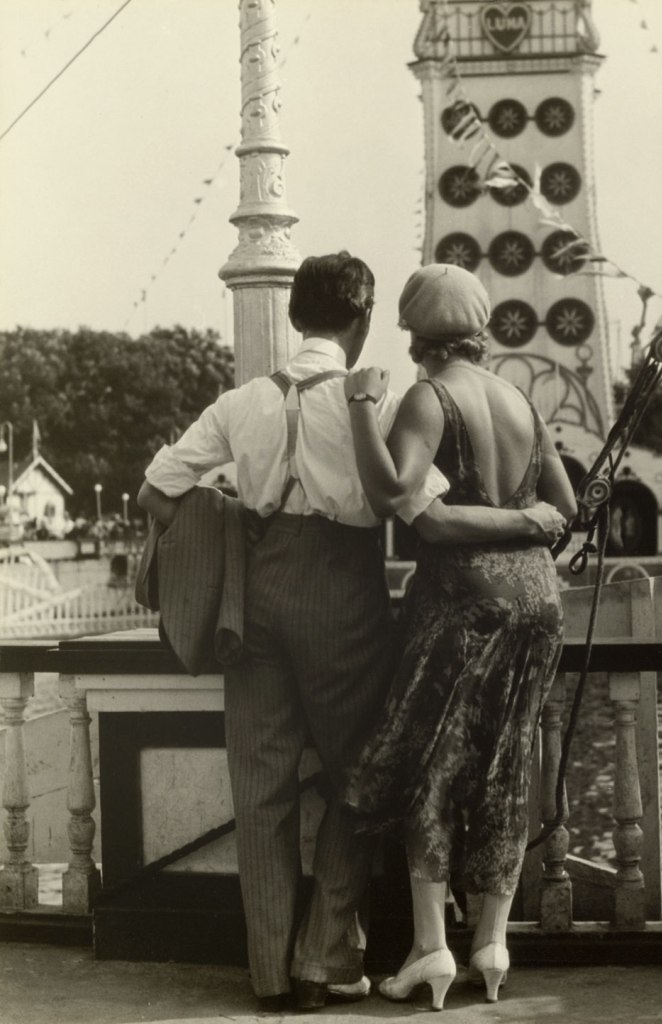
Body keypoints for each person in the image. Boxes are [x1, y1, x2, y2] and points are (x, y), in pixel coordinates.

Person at [137, 252, 566, 1013]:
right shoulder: (380, 400)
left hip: (256, 597)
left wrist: (233, 527)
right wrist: (532, 521)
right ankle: (323, 957)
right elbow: (425, 510)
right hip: (344, 598)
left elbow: (157, 492)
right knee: (360, 778)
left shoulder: (241, 402)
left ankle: (270, 974)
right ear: (363, 320)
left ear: (294, 314)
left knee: (261, 789)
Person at [342, 263, 578, 1010]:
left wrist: (361, 408)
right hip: (539, 602)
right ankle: (492, 944)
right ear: (479, 330)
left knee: (432, 765)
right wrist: (525, 521)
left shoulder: (429, 396)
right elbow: (565, 510)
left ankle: (430, 948)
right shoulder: (519, 399)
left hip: (462, 602)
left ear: (416, 336)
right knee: (507, 764)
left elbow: (396, 495)